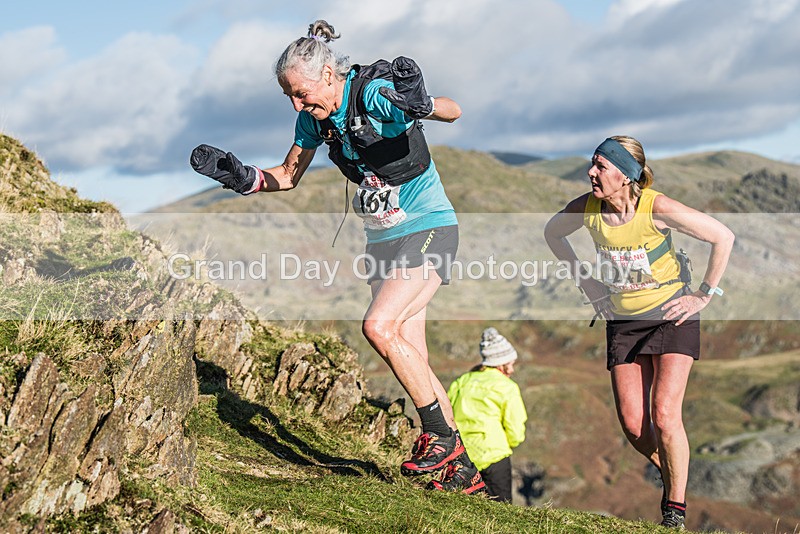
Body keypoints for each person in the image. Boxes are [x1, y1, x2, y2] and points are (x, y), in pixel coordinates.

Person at [190, 20, 484, 494]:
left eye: (302, 93)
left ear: (329, 75)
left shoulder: (372, 92)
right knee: (415, 357)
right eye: (289, 96)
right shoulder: (312, 119)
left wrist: (421, 102)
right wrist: (240, 175)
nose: (297, 105)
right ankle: (461, 472)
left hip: (429, 227)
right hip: (382, 240)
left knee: (378, 327)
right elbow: (287, 175)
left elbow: (453, 111)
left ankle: (437, 438)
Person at [543, 136, 734, 529]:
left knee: (665, 414)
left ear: (626, 176)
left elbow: (723, 236)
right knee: (634, 425)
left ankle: (674, 509)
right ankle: (674, 471)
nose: (591, 173)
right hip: (623, 322)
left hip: (671, 315)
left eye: (600, 166)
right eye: (591, 164)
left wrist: (702, 295)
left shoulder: (656, 207)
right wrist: (588, 284)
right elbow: (552, 233)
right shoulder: (587, 208)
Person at [446, 327, 527, 502]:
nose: (512, 369)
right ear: (500, 364)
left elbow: (448, 415)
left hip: (462, 456)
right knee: (501, 511)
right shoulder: (507, 387)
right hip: (494, 456)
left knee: (464, 507)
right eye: (510, 363)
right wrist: (511, 442)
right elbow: (515, 427)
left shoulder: (461, 382)